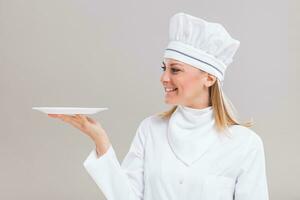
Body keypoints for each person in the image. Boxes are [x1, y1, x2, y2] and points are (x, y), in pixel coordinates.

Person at [48, 12, 269, 200]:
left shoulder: (245, 144)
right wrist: (99, 138)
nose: (164, 78)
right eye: (164, 68)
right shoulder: (150, 129)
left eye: (175, 70)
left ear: (209, 78)